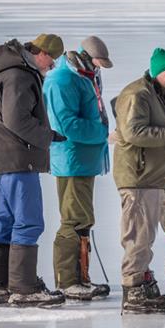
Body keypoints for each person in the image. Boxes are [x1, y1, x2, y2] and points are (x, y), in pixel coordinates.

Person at [0, 34, 67, 307]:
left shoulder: (1, 71)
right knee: (28, 221)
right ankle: (24, 287)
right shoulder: (19, 75)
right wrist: (47, 136)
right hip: (18, 160)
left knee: (2, 218)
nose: (50, 68)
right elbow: (16, 119)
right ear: (40, 52)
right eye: (51, 61)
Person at [112, 48, 165, 314]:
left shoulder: (159, 95)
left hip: (152, 176)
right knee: (137, 234)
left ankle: (142, 280)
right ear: (158, 72)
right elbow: (133, 132)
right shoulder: (137, 94)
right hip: (138, 176)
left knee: (146, 235)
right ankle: (133, 289)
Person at [42, 36, 114, 301]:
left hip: (85, 158)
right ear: (86, 56)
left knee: (82, 218)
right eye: (98, 63)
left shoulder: (85, 74)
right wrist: (102, 133)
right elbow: (65, 124)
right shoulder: (62, 79)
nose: (100, 69)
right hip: (72, 159)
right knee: (73, 219)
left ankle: (81, 277)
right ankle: (68, 281)